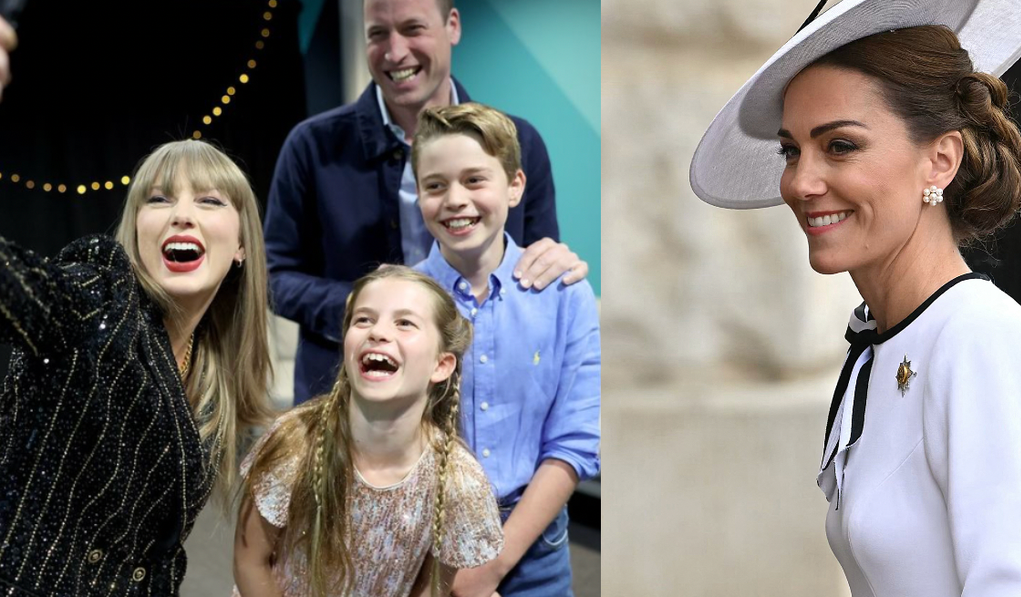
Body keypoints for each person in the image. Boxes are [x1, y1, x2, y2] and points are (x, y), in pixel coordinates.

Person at [690, 0, 1021, 596]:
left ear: (940, 160)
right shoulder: (879, 339)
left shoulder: (980, 337)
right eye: (792, 150)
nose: (801, 181)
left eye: (840, 145)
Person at [265, 0, 589, 405]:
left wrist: (556, 262)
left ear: (452, 25)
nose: (395, 52)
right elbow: (273, 275)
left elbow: (535, 263)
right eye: (378, 34)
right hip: (345, 400)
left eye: (413, 28)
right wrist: (363, 307)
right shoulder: (311, 145)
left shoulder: (521, 142)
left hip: (485, 399)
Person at [0, 137, 275, 595]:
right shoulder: (99, 296)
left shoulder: (209, 371)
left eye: (208, 200)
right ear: (136, 229)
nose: (181, 214)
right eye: (159, 198)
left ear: (242, 244)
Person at [411, 103, 600, 597]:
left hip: (534, 542)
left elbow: (576, 440)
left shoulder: (565, 295)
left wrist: (491, 566)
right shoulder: (401, 298)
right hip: (422, 542)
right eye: (435, 185)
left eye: (475, 180)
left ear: (514, 186)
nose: (455, 200)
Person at [233, 265, 503, 597]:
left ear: (441, 364)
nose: (377, 332)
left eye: (404, 323)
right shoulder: (295, 443)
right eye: (363, 319)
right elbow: (251, 561)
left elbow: (430, 589)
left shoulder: (457, 482)